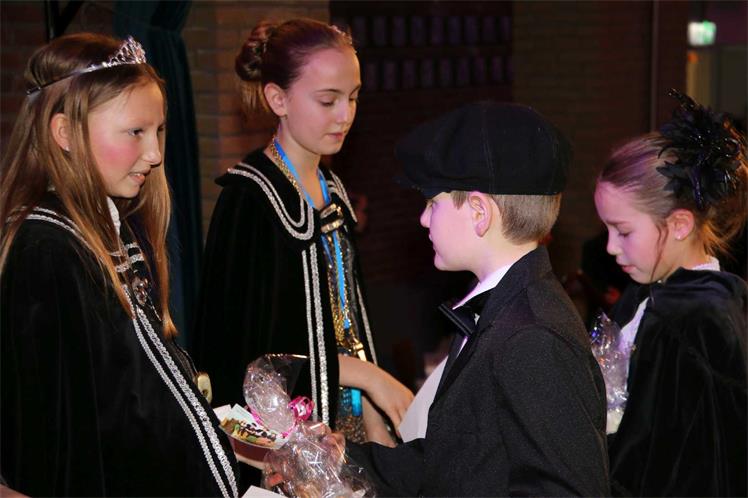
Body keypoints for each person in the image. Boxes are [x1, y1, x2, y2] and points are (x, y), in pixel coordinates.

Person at [0, 33, 239, 497]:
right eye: (135, 132)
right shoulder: (46, 251)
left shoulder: (114, 227)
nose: (155, 154)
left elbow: (139, 396)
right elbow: (56, 437)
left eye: (158, 131)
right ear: (65, 133)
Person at [344, 101, 610, 496]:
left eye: (432, 203)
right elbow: (452, 462)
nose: (423, 219)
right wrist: (341, 459)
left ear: (479, 212)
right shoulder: (500, 308)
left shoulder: (534, 337)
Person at [192, 18, 412, 449]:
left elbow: (349, 322)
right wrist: (369, 377)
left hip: (346, 422)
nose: (345, 115)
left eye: (353, 97)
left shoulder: (333, 189)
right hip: (286, 438)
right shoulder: (250, 199)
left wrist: (374, 418)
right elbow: (251, 353)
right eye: (328, 101)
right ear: (278, 99)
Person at [594, 90, 747, 497]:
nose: (610, 247)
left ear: (679, 225)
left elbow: (689, 464)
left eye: (623, 231)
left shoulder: (695, 319)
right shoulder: (647, 295)